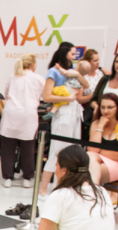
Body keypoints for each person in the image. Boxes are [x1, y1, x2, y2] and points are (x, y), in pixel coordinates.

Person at [39, 42, 89, 200]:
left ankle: (61, 188)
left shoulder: (72, 71)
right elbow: (46, 96)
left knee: (72, 152)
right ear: (64, 53)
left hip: (75, 112)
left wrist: (76, 74)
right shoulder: (54, 71)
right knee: (56, 151)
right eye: (72, 53)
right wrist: (67, 98)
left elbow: (86, 86)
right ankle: (42, 190)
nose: (74, 56)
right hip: (63, 112)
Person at [0, 53, 45, 188]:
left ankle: (7, 178)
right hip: (28, 115)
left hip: (11, 114)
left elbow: (6, 95)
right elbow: (44, 96)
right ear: (32, 65)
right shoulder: (38, 78)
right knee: (28, 149)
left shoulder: (12, 77)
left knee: (7, 148)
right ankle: (27, 177)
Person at [87, 94, 118, 186]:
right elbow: (91, 150)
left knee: (88, 171)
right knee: (90, 158)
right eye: (102, 107)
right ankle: (94, 191)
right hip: (98, 161)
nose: (105, 111)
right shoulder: (96, 124)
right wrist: (100, 126)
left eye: (110, 107)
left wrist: (99, 151)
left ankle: (92, 193)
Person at [80, 49, 105, 135]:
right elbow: (79, 99)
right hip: (86, 110)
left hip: (99, 109)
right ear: (88, 62)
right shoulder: (83, 76)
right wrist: (94, 95)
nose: (98, 62)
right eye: (95, 60)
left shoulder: (100, 73)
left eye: (98, 60)